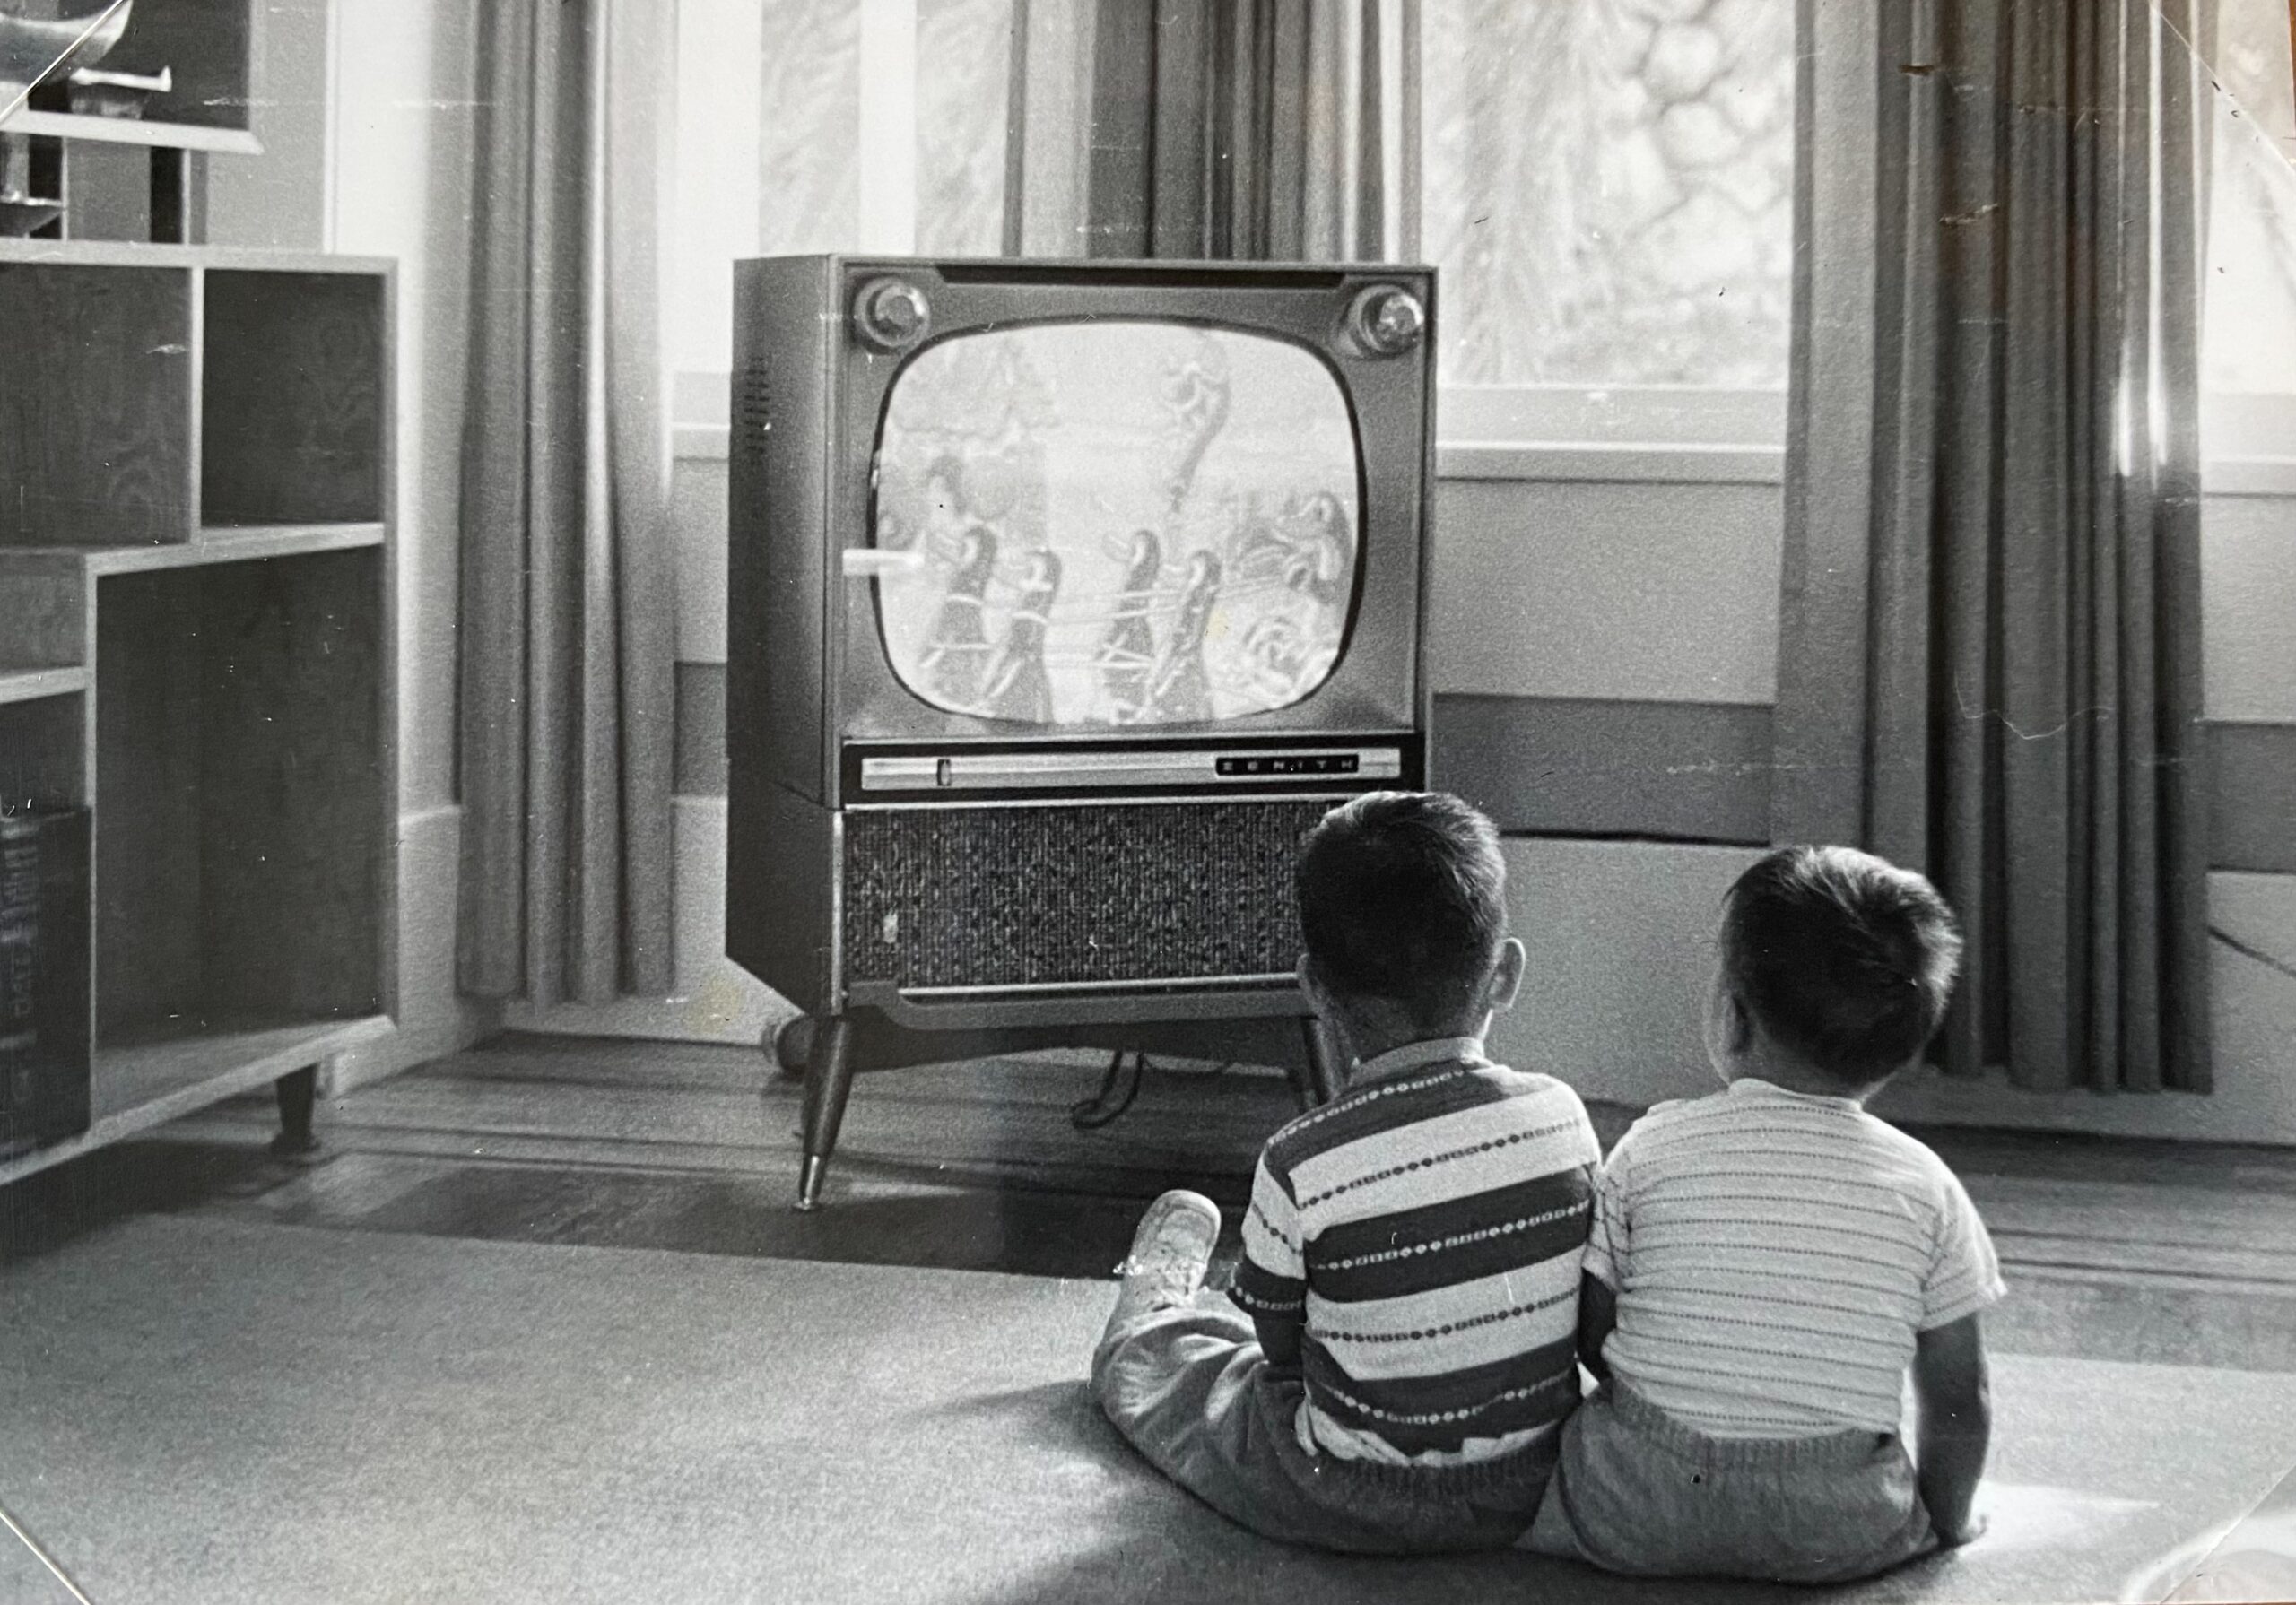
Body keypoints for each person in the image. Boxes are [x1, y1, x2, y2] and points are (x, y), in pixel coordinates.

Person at [1091, 792, 1602, 1553]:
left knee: (1189, 1379)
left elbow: (1280, 1350)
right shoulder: (1564, 1116)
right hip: (1530, 1481)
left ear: (1313, 988)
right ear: (1505, 975)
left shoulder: (1302, 1158)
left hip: (1349, 1496)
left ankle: (1156, 1298)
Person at [1522, 845, 2004, 1583]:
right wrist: (1946, 1520)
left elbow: (1593, 1330)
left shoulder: (1653, 1143)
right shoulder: (1927, 1186)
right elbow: (1958, 1396)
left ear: (1732, 1016)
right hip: (1833, 1523)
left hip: (1640, 1497)